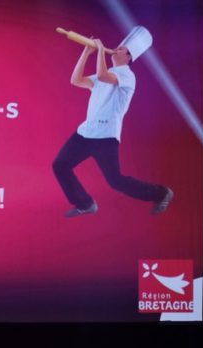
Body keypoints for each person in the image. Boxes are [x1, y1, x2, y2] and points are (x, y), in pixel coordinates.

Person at [53, 26, 173, 217]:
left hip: (106, 137)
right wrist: (86, 52)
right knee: (60, 165)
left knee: (115, 181)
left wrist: (100, 50)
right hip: (86, 133)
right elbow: (76, 80)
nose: (116, 49)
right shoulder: (106, 72)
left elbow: (103, 76)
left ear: (128, 56)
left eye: (121, 49)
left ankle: (161, 193)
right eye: (117, 47)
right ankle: (85, 203)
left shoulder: (127, 76)